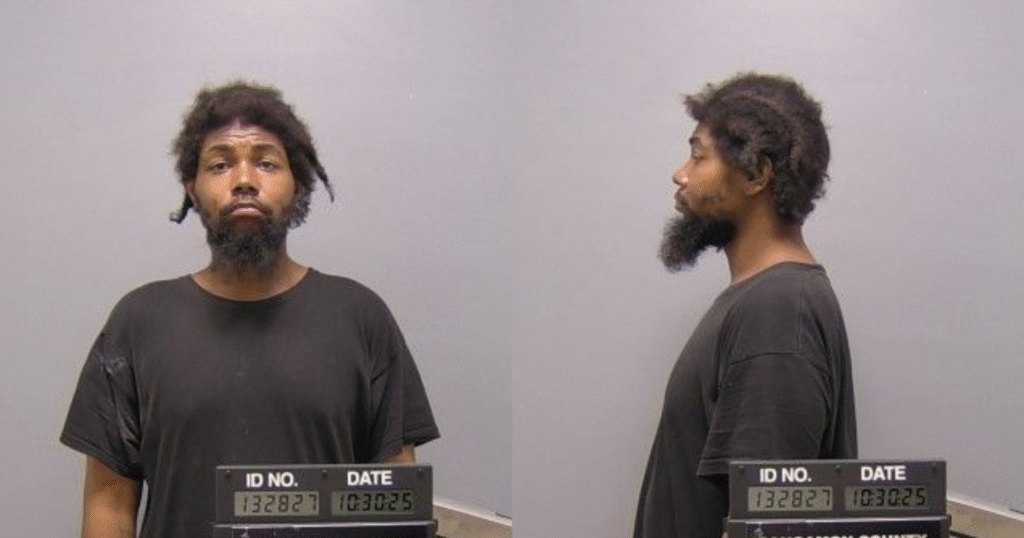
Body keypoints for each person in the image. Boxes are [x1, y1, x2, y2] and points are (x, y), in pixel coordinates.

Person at [60, 81, 440, 538]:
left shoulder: (362, 318)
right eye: (220, 165)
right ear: (192, 188)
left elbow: (395, 506)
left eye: (266, 163)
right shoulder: (138, 322)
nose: (244, 180)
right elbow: (109, 505)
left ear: (297, 184)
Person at [634, 73, 857, 538]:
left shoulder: (778, 313)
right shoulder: (767, 302)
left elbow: (767, 526)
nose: (680, 174)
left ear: (756, 174)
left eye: (699, 156)